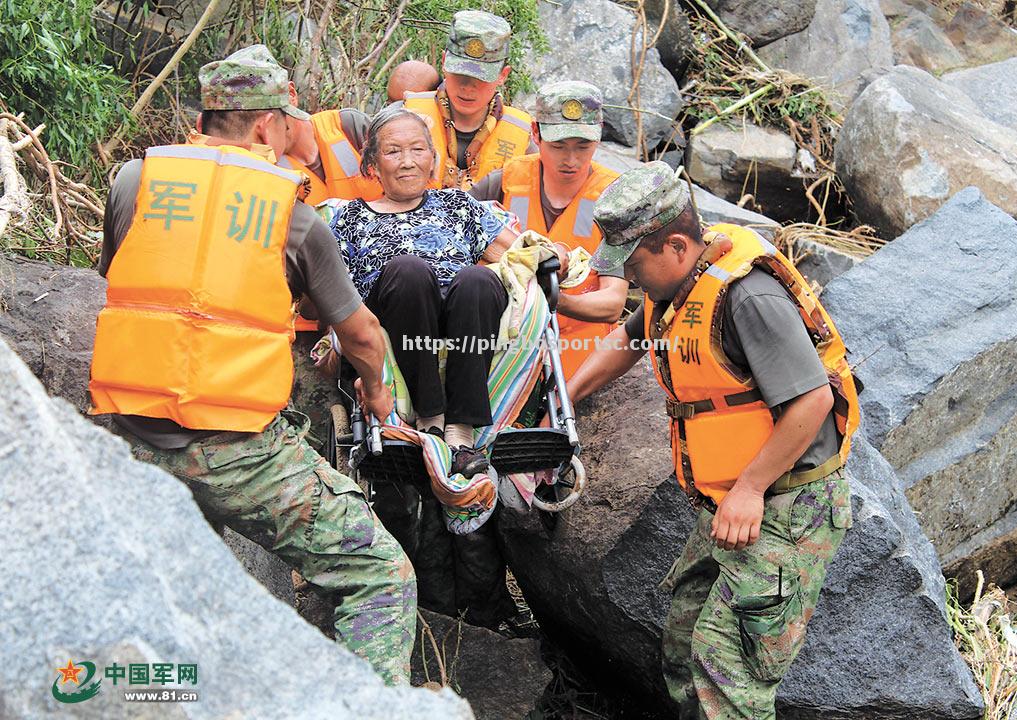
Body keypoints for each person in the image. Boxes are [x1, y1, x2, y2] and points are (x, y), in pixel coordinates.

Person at [87, 45, 416, 686]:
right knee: (381, 575)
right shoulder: (294, 217)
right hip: (234, 451)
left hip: (124, 434)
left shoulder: (135, 179)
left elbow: (128, 282)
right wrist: (377, 393)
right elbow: (363, 335)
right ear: (268, 125)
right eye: (289, 121)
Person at [565, 162, 860, 719]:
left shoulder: (747, 297)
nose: (626, 279)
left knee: (729, 666)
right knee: (682, 636)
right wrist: (568, 400)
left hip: (786, 505)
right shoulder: (676, 285)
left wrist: (749, 489)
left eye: (632, 265)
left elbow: (812, 401)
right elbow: (629, 339)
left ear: (675, 245)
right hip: (726, 502)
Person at [329, 105, 526, 629]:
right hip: (397, 332)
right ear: (372, 164)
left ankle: (459, 430)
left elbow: (524, 254)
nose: (407, 161)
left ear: (434, 159)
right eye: (393, 151)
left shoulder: (461, 206)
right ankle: (430, 421)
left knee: (482, 280)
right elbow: (327, 294)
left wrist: (556, 264)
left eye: (418, 149)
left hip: (465, 331)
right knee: (412, 272)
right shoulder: (347, 218)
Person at [469, 80, 627, 378]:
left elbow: (613, 303)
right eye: (558, 146)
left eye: (583, 146)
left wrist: (551, 298)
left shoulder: (615, 199)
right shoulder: (501, 182)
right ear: (536, 133)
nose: (572, 160)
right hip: (503, 340)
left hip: (579, 346)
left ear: (600, 135)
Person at [404, 10, 536, 190]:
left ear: (503, 75)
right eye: (460, 73)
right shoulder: (404, 117)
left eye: (481, 78)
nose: (467, 87)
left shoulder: (524, 139)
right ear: (444, 62)